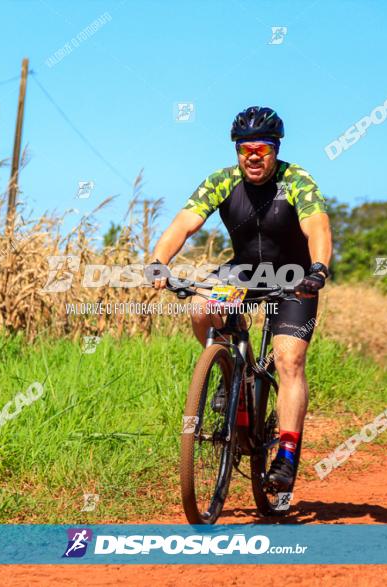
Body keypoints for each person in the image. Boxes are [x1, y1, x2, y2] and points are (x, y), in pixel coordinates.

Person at [147, 106, 333, 491]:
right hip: (244, 273)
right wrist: (157, 262)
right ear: (236, 150)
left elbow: (317, 225)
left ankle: (285, 456)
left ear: (275, 150)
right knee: (201, 308)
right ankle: (231, 374)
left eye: (261, 149)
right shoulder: (221, 181)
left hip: (294, 277)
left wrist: (319, 269)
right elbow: (184, 223)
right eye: (244, 148)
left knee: (288, 358)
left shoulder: (297, 180)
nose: (252, 156)